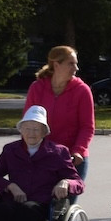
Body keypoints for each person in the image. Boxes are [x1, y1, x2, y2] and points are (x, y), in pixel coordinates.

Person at [23, 45, 95, 180]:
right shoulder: (37, 88)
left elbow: (87, 127)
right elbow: (27, 123)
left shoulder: (82, 91)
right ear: (56, 65)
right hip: (42, 157)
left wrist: (78, 150)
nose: (76, 68)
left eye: (76, 64)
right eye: (71, 64)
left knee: (66, 200)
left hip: (72, 159)